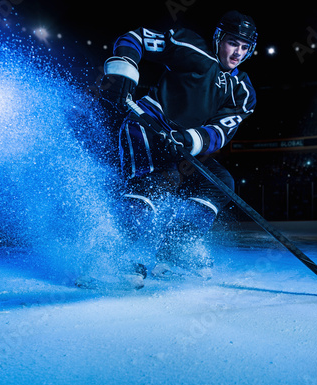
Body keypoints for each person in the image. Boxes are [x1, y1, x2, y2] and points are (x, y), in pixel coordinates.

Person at [100, 10, 258, 280]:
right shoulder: (192, 48)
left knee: (219, 183)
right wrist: (124, 67)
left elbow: (220, 131)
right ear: (218, 39)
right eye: (233, 43)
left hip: (182, 146)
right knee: (158, 182)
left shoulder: (242, 91)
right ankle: (111, 258)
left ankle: (173, 251)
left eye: (245, 47)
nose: (237, 53)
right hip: (147, 128)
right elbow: (137, 37)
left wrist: (189, 139)